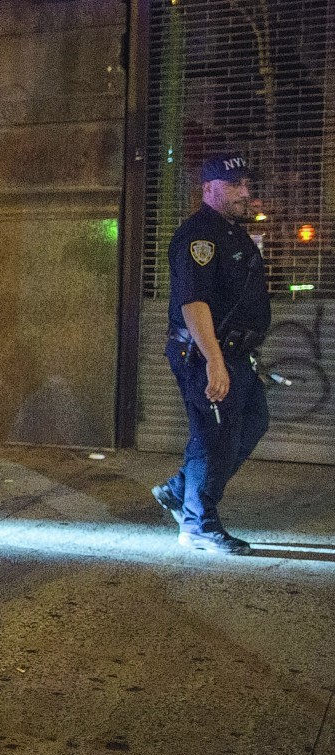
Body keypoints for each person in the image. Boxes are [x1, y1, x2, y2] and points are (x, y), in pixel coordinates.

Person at [153, 153, 270, 556]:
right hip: (204, 353)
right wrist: (215, 362)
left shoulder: (233, 233)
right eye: (234, 184)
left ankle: (179, 490)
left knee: (253, 420)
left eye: (245, 184)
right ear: (208, 189)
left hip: (234, 353)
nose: (245, 191)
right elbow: (194, 302)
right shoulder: (199, 235)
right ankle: (198, 524)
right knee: (214, 437)